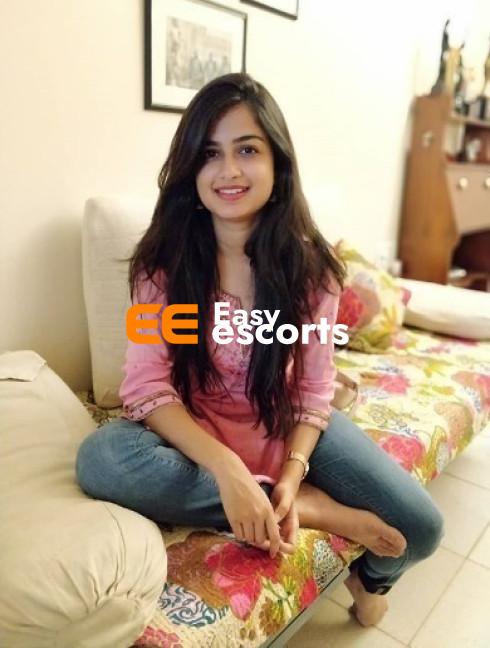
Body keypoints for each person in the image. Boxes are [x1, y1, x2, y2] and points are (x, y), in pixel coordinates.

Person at [76, 73, 443, 627]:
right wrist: (229, 472)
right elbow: (147, 385)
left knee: (422, 527)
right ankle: (314, 511)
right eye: (210, 153)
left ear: (278, 162)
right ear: (190, 169)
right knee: (102, 459)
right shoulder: (164, 266)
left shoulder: (312, 272)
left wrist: (294, 472)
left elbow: (314, 388)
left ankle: (368, 579)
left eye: (247, 150)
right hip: (196, 428)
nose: (228, 170)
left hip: (283, 420)